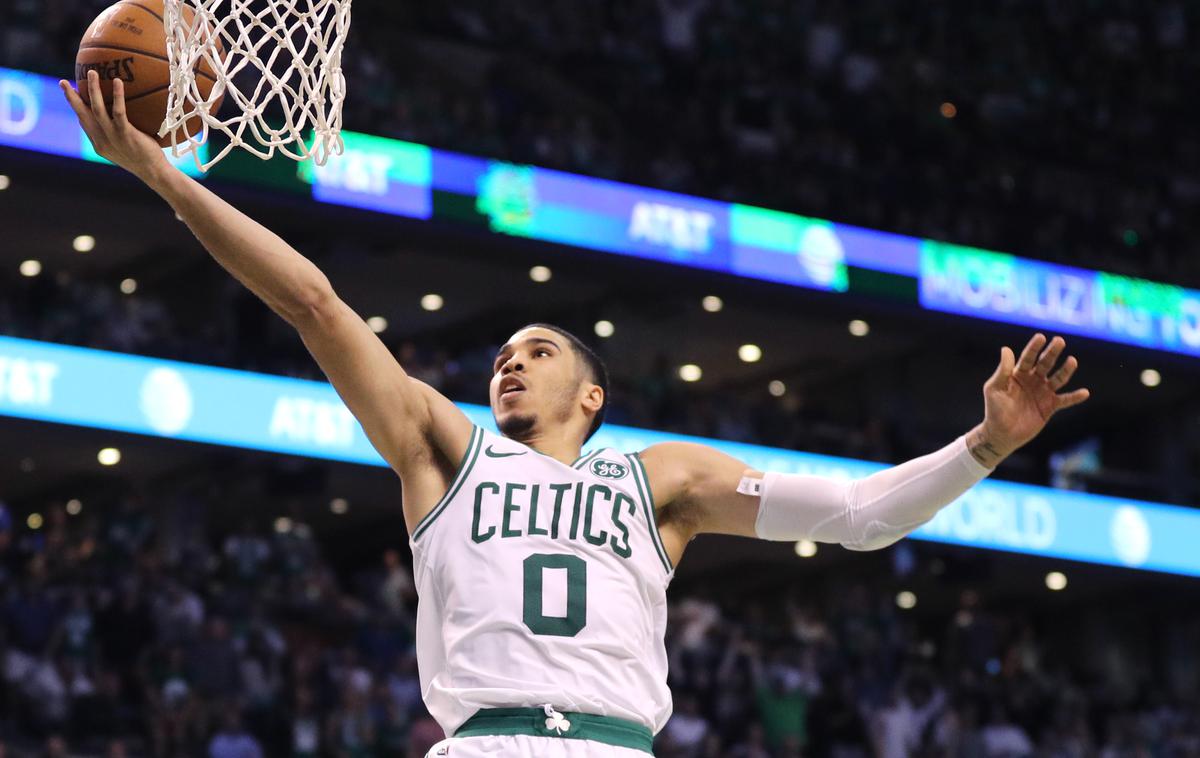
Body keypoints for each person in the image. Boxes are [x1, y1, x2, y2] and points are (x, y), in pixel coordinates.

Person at [61, 73, 1091, 758]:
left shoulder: (664, 481)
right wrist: (162, 176)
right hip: (481, 741)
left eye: (538, 352)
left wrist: (990, 441)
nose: (510, 363)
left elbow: (864, 513)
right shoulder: (441, 447)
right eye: (502, 356)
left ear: (590, 396)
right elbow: (315, 301)